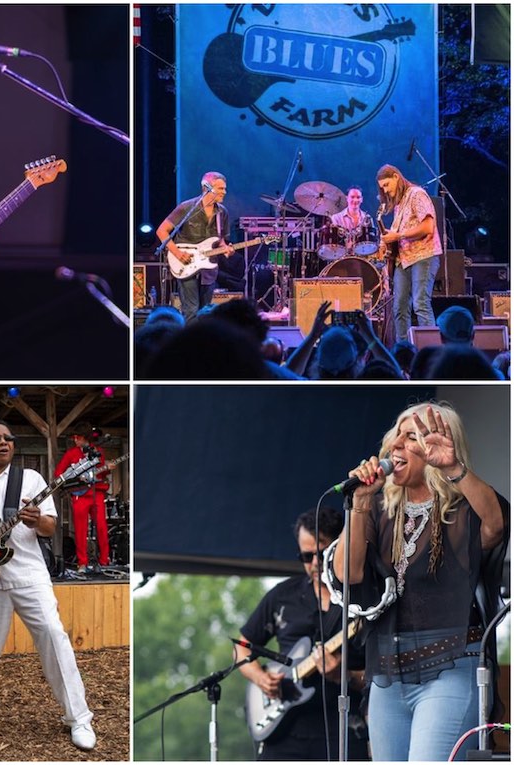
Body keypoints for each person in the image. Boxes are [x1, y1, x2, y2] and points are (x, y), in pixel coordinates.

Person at [333, 403, 508, 761]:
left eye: (411, 436)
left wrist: (455, 469)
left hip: (451, 668)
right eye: (395, 434)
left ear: (438, 448)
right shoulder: (380, 511)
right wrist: (362, 500)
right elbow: (347, 575)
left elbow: (495, 525)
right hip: (387, 678)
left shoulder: (461, 510)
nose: (396, 444)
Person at [0, 420, 96, 750]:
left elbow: (50, 528)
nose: (3, 443)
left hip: (29, 573)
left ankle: (78, 717)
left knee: (55, 637)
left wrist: (37, 519)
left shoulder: (31, 479)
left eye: (8, 438)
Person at [237, 508, 369, 760]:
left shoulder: (365, 601)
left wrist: (345, 676)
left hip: (344, 730)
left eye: (322, 553)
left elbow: (383, 674)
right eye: (306, 556)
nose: (315, 563)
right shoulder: (282, 595)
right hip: (284, 732)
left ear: (341, 547)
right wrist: (260, 677)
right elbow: (242, 646)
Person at [376, 164, 442, 342]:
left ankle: (431, 352)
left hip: (423, 256)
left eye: (387, 185)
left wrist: (398, 235)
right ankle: (403, 351)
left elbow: (428, 226)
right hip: (404, 260)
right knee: (399, 307)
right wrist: (387, 241)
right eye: (382, 187)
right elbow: (401, 232)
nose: (385, 190)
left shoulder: (416, 194)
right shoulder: (400, 203)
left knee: (420, 303)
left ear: (396, 177)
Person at [156, 171, 233, 323]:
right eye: (220, 188)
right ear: (206, 188)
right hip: (185, 263)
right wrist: (178, 253)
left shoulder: (222, 212)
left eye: (225, 188)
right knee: (191, 310)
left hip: (209, 266)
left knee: (205, 311)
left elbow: (221, 239)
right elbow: (162, 231)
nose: (224, 192)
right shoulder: (186, 208)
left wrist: (225, 248)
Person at [55, 422, 112, 574]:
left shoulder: (98, 451)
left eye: (78, 437)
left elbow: (102, 474)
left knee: (101, 527)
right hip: (79, 494)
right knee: (81, 530)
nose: (75, 440)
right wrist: (73, 481)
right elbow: (59, 474)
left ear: (86, 438)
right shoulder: (71, 454)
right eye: (74, 437)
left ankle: (104, 561)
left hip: (96, 493)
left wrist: (107, 468)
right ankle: (82, 563)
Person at [329, 185, 375, 257]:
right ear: (347, 198)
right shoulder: (336, 218)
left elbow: (371, 241)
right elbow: (333, 244)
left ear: (362, 199)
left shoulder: (367, 218)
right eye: (352, 197)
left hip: (362, 257)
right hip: (341, 258)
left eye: (358, 197)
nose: (355, 200)